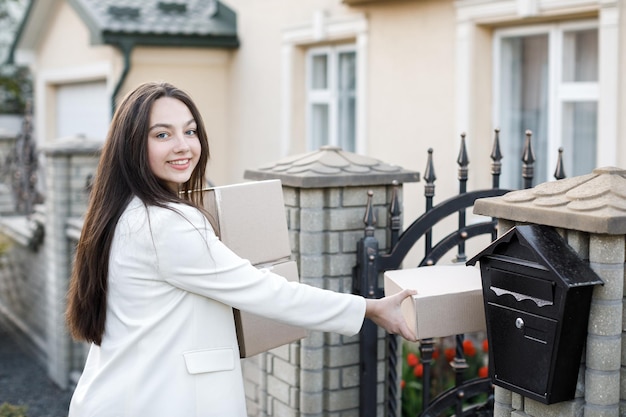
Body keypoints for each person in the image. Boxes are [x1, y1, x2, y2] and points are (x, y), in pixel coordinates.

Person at [65, 81, 416, 417]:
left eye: (190, 131)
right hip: (158, 401)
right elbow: (263, 291)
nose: (183, 145)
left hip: (127, 396)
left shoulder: (122, 213)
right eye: (162, 134)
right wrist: (370, 308)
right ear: (131, 147)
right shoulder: (165, 225)